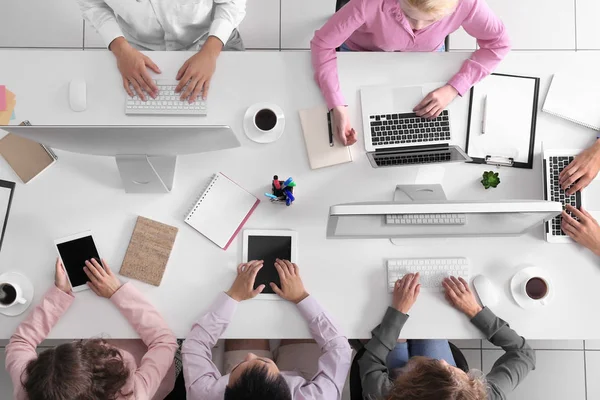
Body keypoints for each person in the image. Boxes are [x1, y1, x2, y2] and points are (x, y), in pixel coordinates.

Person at [310, 0, 511, 146]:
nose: (417, 28)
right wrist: (337, 105)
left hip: (425, 59)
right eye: (409, 15)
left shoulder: (467, 3)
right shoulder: (367, 3)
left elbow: (499, 43)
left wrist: (454, 87)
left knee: (425, 134)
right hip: (360, 53)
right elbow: (322, 44)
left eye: (431, 20)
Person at [5, 258, 178, 400]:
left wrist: (59, 294)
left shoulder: (29, 386)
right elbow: (164, 341)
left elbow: (21, 342)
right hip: (149, 370)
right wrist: (118, 292)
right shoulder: (133, 394)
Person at [182, 259, 353, 399]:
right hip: (304, 381)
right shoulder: (319, 396)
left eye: (238, 368)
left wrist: (234, 296)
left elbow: (194, 344)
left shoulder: (204, 395)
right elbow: (339, 348)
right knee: (303, 331)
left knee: (246, 327)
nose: (249, 356)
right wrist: (301, 297)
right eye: (262, 360)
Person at [359, 273, 535, 400]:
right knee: (429, 325)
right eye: (459, 374)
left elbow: (371, 362)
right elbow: (523, 354)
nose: (443, 362)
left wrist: (397, 313)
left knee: (394, 334)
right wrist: (475, 312)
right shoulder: (481, 397)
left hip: (397, 385)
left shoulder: (384, 396)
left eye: (445, 370)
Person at [77, 0, 246, 102]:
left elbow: (232, 4)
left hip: (211, 38)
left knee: (238, 106)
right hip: (135, 49)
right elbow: (93, 5)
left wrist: (210, 52)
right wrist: (121, 49)